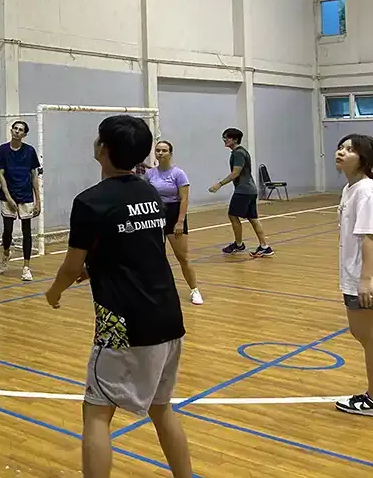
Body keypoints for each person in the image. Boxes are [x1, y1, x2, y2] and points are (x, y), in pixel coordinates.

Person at [45, 115, 193, 478]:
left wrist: (54, 291)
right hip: (168, 317)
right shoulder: (150, 194)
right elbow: (134, 248)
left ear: (104, 150)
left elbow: (70, 266)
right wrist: (96, 266)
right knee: (162, 407)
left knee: (96, 413)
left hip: (123, 326)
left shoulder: (89, 202)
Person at [332, 133, 373, 417]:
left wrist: (366, 279)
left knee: (368, 337)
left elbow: (370, 237)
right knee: (363, 334)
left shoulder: (366, 190)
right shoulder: (350, 189)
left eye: (349, 150)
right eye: (340, 148)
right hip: (352, 274)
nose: (341, 152)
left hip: (362, 277)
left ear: (364, 158)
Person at [144, 140, 203, 305]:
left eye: (164, 150)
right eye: (158, 150)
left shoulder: (178, 174)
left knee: (182, 257)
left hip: (174, 213)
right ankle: (157, 291)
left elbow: (184, 199)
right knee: (155, 257)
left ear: (170, 153)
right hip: (156, 214)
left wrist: (180, 222)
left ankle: (194, 290)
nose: (160, 153)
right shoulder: (150, 174)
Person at [208, 128, 273, 257]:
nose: (225, 140)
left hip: (244, 190)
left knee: (233, 215)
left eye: (227, 137)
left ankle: (239, 245)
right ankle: (264, 246)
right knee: (253, 218)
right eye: (224, 137)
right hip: (250, 190)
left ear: (235, 139)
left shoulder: (238, 153)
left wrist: (219, 184)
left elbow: (235, 173)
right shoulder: (240, 152)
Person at [0, 120, 42, 281]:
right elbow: (1, 175)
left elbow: (34, 176)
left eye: (20, 130)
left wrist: (38, 200)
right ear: (11, 130)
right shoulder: (2, 150)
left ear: (24, 134)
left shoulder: (30, 151)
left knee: (26, 231)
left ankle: (26, 267)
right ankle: (6, 253)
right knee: (7, 231)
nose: (16, 131)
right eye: (15, 128)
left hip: (26, 195)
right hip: (7, 196)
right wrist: (8, 197)